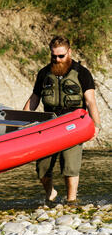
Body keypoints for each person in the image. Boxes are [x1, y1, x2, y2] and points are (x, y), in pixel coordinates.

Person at [23, 35, 101, 203]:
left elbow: (90, 101)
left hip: (73, 125)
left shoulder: (82, 73)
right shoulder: (44, 73)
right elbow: (35, 97)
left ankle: (71, 201)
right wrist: (24, 119)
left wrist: (96, 125)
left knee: (70, 166)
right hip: (49, 125)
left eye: (61, 56)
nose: (57, 59)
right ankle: (50, 193)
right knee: (42, 168)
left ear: (69, 52)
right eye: (54, 56)